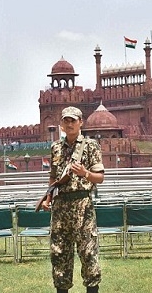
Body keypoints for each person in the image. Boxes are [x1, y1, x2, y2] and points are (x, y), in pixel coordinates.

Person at [42, 106, 104, 293]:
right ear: (61, 124)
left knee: (88, 253)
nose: (69, 124)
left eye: (73, 120)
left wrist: (85, 173)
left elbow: (100, 177)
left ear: (80, 123)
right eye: (66, 120)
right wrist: (48, 197)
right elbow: (53, 177)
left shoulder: (90, 146)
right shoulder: (56, 148)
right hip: (61, 207)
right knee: (59, 253)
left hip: (82, 205)